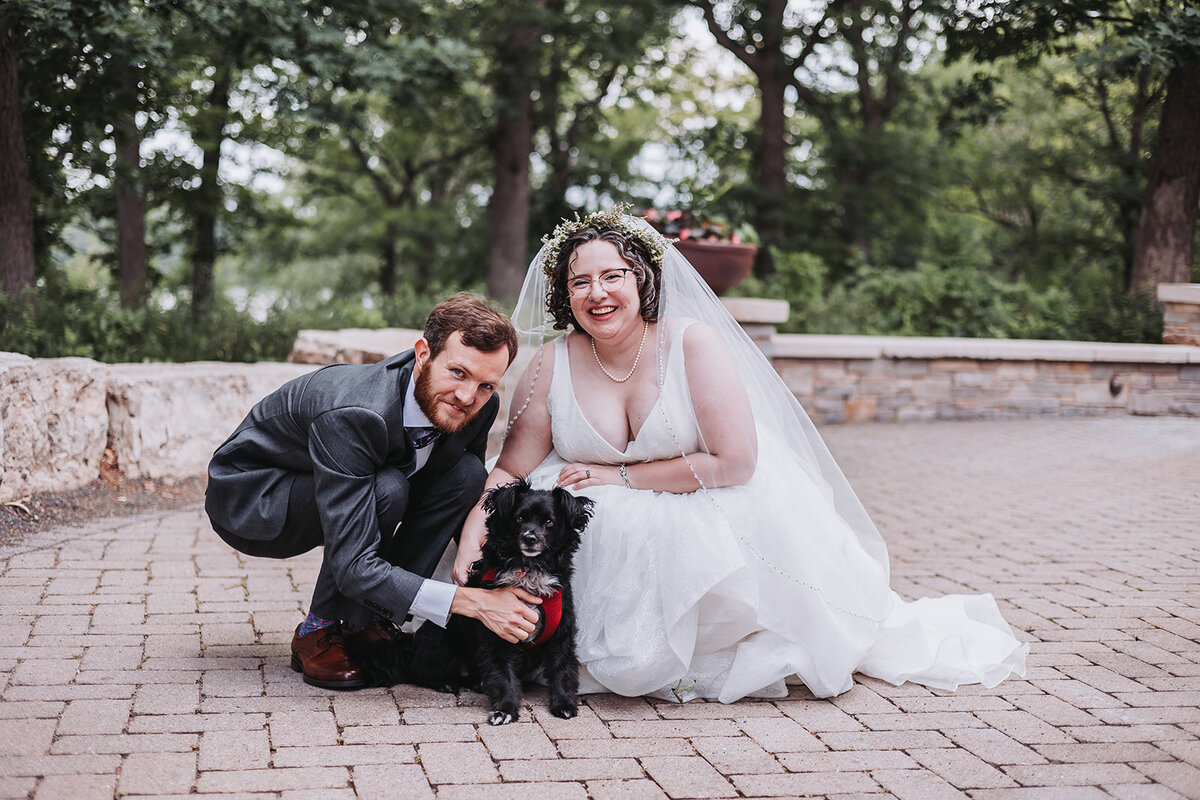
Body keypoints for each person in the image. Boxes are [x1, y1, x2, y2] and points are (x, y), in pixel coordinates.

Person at [455, 208, 1028, 703]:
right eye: (580, 282)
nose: (597, 293)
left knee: (662, 528)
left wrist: (621, 476)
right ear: (564, 294)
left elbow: (735, 462)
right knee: (572, 523)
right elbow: (510, 469)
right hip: (588, 502)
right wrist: (474, 528)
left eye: (613, 275)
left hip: (704, 494)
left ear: (643, 278)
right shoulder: (551, 362)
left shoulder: (691, 344)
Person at [206, 292, 543, 690]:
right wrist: (475, 605)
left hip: (346, 480)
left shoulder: (480, 405)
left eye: (486, 384)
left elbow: (462, 491)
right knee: (386, 489)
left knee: (467, 475)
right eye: (457, 372)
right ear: (423, 354)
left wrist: (493, 570)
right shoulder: (356, 413)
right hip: (253, 497)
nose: (468, 397)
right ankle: (318, 630)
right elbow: (352, 564)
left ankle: (369, 623)